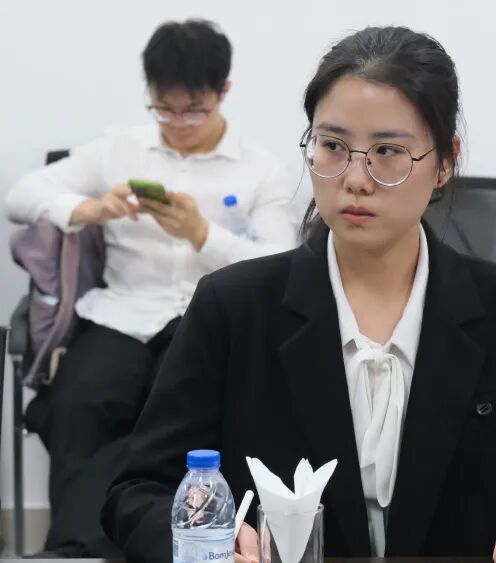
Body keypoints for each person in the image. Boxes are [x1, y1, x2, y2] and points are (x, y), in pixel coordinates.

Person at [102, 26, 496, 563]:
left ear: (445, 162)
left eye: (388, 151)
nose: (355, 178)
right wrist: (199, 538)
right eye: (332, 146)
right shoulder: (233, 307)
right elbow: (139, 491)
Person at [4, 19, 298, 557]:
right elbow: (21, 196)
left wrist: (202, 234)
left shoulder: (261, 171)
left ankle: (157, 546)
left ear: (224, 92)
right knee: (78, 403)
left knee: (169, 418)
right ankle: (76, 550)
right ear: (150, 94)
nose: (178, 123)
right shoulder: (119, 150)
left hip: (201, 323)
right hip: (120, 314)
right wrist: (88, 208)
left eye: (194, 111)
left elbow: (282, 262)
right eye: (164, 109)